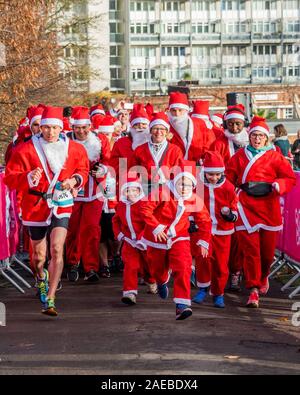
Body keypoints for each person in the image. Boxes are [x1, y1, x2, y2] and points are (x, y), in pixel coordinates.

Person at [4, 106, 89, 316]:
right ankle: (40, 278)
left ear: (61, 128)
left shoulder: (75, 149)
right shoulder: (25, 150)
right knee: (38, 257)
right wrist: (27, 177)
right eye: (46, 128)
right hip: (35, 205)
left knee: (57, 249)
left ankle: (50, 298)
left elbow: (83, 170)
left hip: (62, 202)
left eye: (54, 128)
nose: (50, 132)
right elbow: (9, 177)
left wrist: (74, 180)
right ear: (39, 128)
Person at [226, 116, 296, 308]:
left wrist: (278, 185)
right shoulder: (239, 156)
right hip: (245, 205)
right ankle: (253, 289)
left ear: (266, 138)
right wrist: (230, 196)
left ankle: (263, 276)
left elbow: (289, 178)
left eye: (260, 136)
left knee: (266, 253)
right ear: (249, 137)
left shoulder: (275, 156)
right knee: (251, 251)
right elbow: (229, 178)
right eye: (254, 135)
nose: (257, 139)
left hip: (268, 206)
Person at [140, 163, 211, 320]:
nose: (184, 188)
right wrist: (156, 226)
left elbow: (205, 221)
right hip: (157, 236)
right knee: (157, 267)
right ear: (175, 181)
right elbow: (145, 208)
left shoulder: (194, 199)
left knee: (184, 266)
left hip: (179, 236)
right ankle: (161, 281)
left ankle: (182, 305)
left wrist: (204, 240)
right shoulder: (162, 192)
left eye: (188, 184)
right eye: (181, 183)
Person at [66, 107, 111, 283]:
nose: (81, 131)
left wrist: (103, 169)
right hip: (73, 191)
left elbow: (109, 161)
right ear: (73, 128)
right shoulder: (66, 141)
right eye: (78, 127)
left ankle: (91, 267)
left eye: (84, 127)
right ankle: (72, 263)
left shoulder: (100, 140)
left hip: (94, 192)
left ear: (90, 126)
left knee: (92, 229)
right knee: (73, 229)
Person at [193, 151, 238, 308]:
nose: (214, 178)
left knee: (220, 263)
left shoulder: (228, 187)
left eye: (217, 175)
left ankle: (218, 293)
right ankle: (203, 288)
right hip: (204, 230)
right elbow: (192, 204)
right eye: (210, 174)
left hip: (222, 231)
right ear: (205, 173)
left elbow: (234, 207)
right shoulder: (198, 186)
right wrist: (192, 221)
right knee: (203, 259)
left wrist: (231, 216)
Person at [112, 176, 157, 305]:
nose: (131, 194)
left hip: (144, 242)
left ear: (139, 191)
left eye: (134, 190)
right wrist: (119, 234)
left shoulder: (144, 204)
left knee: (147, 266)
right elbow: (115, 220)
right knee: (130, 266)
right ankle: (130, 292)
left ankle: (152, 280)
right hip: (129, 242)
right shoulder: (120, 205)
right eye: (127, 190)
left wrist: (143, 238)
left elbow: (149, 222)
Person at [130, 112, 183, 188]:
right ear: (150, 130)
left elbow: (178, 173)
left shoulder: (175, 150)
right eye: (155, 128)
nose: (158, 132)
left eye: (162, 129)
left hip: (168, 190)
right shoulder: (140, 149)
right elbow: (133, 172)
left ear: (166, 132)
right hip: (145, 189)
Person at [168, 93, 215, 162]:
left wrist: (204, 157)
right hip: (175, 165)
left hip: (197, 165)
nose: (177, 114)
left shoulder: (199, 123)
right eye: (173, 110)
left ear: (186, 110)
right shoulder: (166, 126)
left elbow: (209, 142)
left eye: (180, 110)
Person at [109, 104, 150, 182]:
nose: (140, 127)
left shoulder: (154, 143)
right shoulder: (121, 143)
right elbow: (114, 166)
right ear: (132, 127)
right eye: (137, 125)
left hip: (149, 185)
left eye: (144, 124)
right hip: (127, 185)